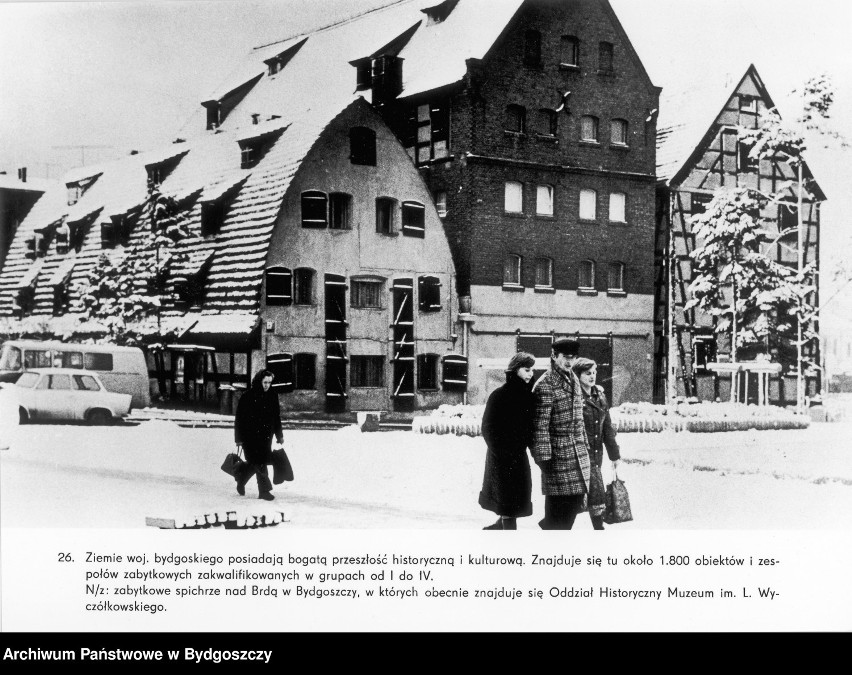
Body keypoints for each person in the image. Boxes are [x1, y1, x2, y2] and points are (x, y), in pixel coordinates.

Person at [531, 337, 592, 530]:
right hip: (557, 458)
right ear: (554, 355)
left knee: (574, 506)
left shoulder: (573, 378)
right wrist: (544, 459)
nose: (569, 361)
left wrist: (585, 446)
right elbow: (540, 426)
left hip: (577, 456)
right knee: (559, 513)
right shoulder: (546, 384)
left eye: (573, 358)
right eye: (565, 357)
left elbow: (579, 418)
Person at [478, 352, 537, 530]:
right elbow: (488, 427)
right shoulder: (499, 395)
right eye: (526, 370)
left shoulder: (529, 396)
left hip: (518, 456)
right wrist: (502, 451)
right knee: (506, 498)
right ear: (515, 370)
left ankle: (499, 526)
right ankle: (509, 538)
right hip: (501, 457)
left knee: (514, 498)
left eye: (532, 370)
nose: (530, 374)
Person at [572, 357, 621, 530]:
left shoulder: (600, 395)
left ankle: (598, 529)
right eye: (587, 373)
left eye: (594, 373)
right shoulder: (573, 396)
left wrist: (614, 454)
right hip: (577, 455)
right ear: (577, 375)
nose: (592, 376)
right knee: (575, 499)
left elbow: (607, 427)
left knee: (595, 495)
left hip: (595, 454)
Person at [233, 370, 284, 501]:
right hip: (249, 437)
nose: (267, 385)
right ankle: (264, 491)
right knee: (259, 463)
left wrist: (279, 435)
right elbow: (239, 419)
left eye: (269, 383)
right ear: (259, 381)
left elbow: (276, 417)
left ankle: (242, 480)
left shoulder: (273, 395)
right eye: (265, 382)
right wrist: (238, 439)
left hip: (266, 437)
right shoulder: (248, 396)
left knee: (254, 463)